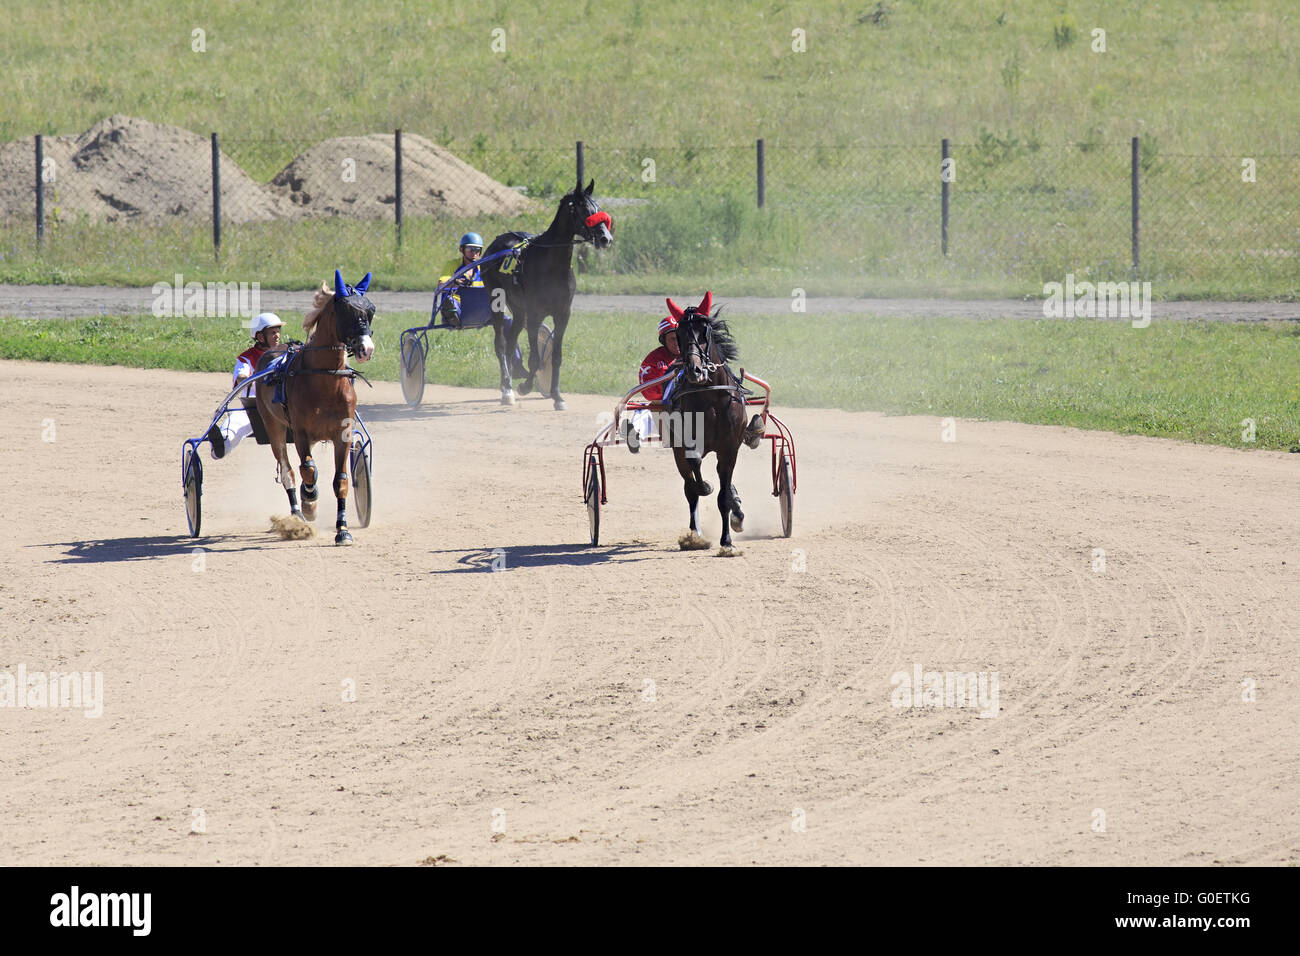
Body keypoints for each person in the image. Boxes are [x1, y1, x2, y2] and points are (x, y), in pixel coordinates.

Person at [207, 312, 283, 460]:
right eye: (272, 332)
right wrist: (256, 377)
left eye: (278, 331)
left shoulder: (285, 353)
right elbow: (241, 378)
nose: (277, 335)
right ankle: (221, 445)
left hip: (283, 406)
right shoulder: (246, 358)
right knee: (235, 421)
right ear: (260, 336)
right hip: (255, 408)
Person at [438, 232, 484, 325]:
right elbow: (440, 285)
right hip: (459, 304)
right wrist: (454, 282)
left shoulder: (483, 268)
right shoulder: (452, 265)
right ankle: (452, 316)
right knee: (450, 302)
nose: (474, 253)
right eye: (470, 249)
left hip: (478, 306)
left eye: (477, 250)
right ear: (461, 249)